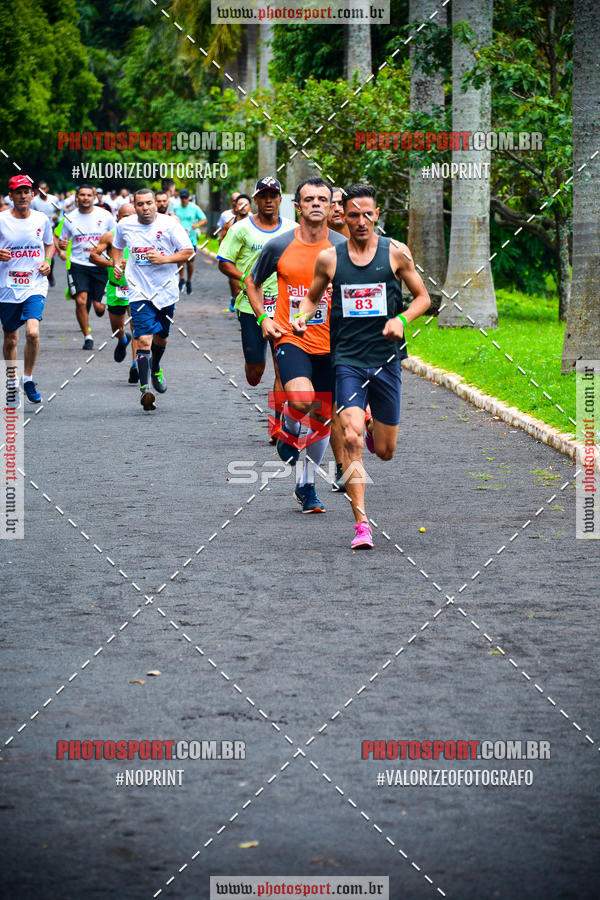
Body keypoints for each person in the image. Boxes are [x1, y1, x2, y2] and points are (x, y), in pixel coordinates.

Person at [295, 183, 431, 548]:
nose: (360, 221)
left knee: (385, 451)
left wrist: (402, 319)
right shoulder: (330, 258)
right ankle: (362, 525)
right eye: (353, 214)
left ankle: (373, 431)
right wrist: (301, 316)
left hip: (385, 361)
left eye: (367, 214)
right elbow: (310, 298)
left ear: (376, 215)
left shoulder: (396, 253)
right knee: (351, 438)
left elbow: (423, 298)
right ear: (343, 215)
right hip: (347, 360)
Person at [246, 177, 346, 513]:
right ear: (298, 206)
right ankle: (287, 430)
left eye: (323, 199)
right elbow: (251, 281)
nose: (316, 204)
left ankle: (306, 486)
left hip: (331, 343)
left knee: (322, 417)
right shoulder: (279, 245)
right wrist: (263, 318)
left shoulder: (343, 247)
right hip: (291, 337)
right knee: (303, 401)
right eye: (309, 199)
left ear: (331, 207)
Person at [111, 188, 194, 410]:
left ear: (156, 204)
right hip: (138, 291)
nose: (145, 208)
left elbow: (188, 251)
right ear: (134, 206)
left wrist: (164, 259)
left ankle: (156, 367)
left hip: (165, 291)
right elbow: (117, 246)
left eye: (149, 203)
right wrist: (117, 264)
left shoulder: (169, 224)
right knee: (144, 340)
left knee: (161, 339)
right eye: (140, 204)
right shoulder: (125, 225)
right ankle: (145, 390)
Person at [217, 176, 295, 387]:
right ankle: (253, 367)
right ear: (256, 200)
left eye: (273, 196)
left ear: (280, 200)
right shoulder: (241, 229)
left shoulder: (293, 229)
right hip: (250, 305)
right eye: (263, 196)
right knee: (255, 371)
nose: (268, 200)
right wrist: (245, 278)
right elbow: (224, 262)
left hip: (284, 305)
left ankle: (282, 411)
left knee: (282, 366)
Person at [0, 175, 54, 403]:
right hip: (7, 286)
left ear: (33, 195)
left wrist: (48, 261)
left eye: (26, 192)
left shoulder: (41, 219)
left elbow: (49, 244)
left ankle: (28, 379)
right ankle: (12, 382)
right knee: (11, 339)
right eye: (18, 192)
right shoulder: (1, 219)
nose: (23, 196)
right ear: (10, 196)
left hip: (35, 283)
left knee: (32, 333)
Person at [58, 184, 115, 349]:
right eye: (82, 195)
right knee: (81, 301)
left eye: (89, 195)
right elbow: (61, 240)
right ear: (77, 196)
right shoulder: (69, 218)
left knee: (99, 308)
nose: (85, 198)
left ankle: (95, 299)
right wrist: (62, 246)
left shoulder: (105, 216)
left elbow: (116, 237)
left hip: (100, 265)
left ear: (94, 197)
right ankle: (87, 336)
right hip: (78, 265)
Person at [89, 203, 139, 383]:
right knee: (117, 328)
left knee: (136, 327)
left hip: (136, 288)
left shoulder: (142, 234)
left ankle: (135, 365)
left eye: (132, 216)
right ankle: (122, 339)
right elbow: (93, 256)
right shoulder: (110, 235)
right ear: (117, 218)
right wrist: (112, 263)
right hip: (115, 288)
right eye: (124, 216)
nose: (128, 220)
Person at [173, 189, 206, 293]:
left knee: (190, 261)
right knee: (180, 260)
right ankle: (181, 279)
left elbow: (204, 219)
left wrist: (197, 225)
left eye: (185, 198)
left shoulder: (194, 208)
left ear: (189, 198)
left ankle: (189, 281)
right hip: (179, 239)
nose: (184, 200)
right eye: (182, 198)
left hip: (191, 239)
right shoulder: (176, 208)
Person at [31, 181, 61, 286]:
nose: (42, 190)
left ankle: (50, 273)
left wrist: (56, 216)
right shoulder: (34, 201)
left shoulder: (53, 199)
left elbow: (58, 209)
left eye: (44, 188)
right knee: (40, 251)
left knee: (50, 252)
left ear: (47, 189)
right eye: (40, 188)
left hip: (51, 227)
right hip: (38, 229)